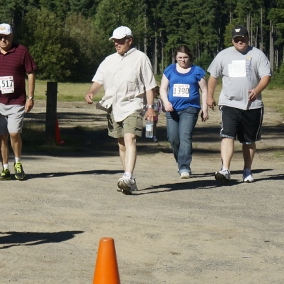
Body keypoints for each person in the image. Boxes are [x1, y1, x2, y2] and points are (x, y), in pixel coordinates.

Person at [85, 26, 157, 194]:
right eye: (114, 41)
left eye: (119, 41)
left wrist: (150, 107)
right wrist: (91, 92)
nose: (116, 44)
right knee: (122, 143)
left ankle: (127, 176)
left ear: (129, 40)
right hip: (113, 106)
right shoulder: (109, 60)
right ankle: (128, 179)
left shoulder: (141, 58)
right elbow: (99, 80)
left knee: (130, 138)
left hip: (133, 105)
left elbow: (149, 85)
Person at [207, 25, 271, 184]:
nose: (240, 41)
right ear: (232, 40)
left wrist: (257, 90)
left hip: (252, 105)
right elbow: (213, 76)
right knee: (227, 135)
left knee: (248, 141)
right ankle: (225, 169)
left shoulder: (257, 55)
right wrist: (209, 96)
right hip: (229, 103)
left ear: (248, 38)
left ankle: (247, 170)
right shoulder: (223, 55)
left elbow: (266, 76)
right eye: (237, 39)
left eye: (242, 38)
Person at [0, 23, 36, 181]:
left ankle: (18, 162)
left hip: (17, 101)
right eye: (0, 37)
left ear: (12, 36)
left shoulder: (21, 51)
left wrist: (30, 98)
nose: (3, 40)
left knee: (14, 133)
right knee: (1, 136)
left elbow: (31, 74)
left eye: (6, 37)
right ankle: (5, 168)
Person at [159, 45, 209, 179]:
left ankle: (184, 167)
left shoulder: (197, 71)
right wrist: (166, 102)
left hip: (190, 108)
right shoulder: (169, 70)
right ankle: (180, 162)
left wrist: (204, 109)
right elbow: (163, 88)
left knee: (185, 136)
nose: (183, 60)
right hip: (172, 109)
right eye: (180, 57)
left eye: (185, 57)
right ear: (176, 58)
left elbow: (204, 91)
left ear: (190, 57)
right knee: (173, 138)